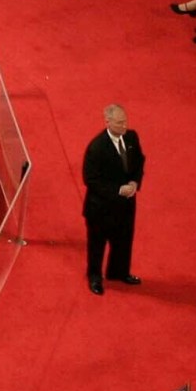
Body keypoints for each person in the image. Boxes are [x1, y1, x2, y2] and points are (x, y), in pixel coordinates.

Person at [82, 104, 144, 293]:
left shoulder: (131, 137)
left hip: (126, 205)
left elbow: (139, 161)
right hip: (101, 208)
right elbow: (91, 180)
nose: (124, 126)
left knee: (124, 240)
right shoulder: (97, 147)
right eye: (119, 123)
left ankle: (119, 272)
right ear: (107, 122)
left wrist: (134, 182)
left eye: (125, 121)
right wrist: (118, 190)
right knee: (97, 245)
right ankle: (94, 277)